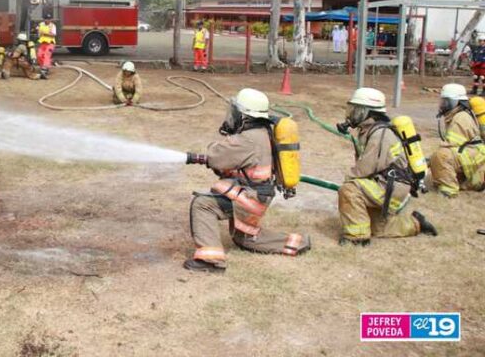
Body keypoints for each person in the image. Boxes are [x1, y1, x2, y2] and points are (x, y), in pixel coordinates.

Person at [183, 88, 311, 273]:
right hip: (257, 194)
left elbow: (215, 156)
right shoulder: (262, 131)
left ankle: (211, 261)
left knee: (203, 204)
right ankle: (297, 243)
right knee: (243, 239)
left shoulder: (247, 139)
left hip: (251, 197)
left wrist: (220, 143)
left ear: (244, 116)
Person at [335, 87, 436, 245]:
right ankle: (416, 223)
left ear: (367, 112)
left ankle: (357, 238)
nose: (351, 114)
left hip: (390, 187)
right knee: (377, 227)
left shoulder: (379, 134)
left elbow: (363, 169)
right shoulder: (371, 130)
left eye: (356, 110)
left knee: (349, 191)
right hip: (388, 185)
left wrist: (348, 181)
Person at [429, 83, 485, 198]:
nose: (442, 105)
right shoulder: (456, 115)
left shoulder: (460, 118)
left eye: (445, 101)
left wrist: (429, 161)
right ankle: (465, 182)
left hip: (476, 159)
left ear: (455, 102)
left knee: (441, 156)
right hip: (473, 158)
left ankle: (448, 190)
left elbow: (449, 147)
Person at [37, 12, 57, 78]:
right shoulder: (41, 24)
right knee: (39, 55)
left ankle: (45, 69)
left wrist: (46, 34)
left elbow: (54, 34)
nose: (47, 20)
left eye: (49, 19)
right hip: (43, 42)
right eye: (46, 19)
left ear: (50, 20)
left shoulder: (53, 25)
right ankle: (43, 67)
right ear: (44, 19)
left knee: (46, 55)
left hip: (50, 43)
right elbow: (38, 31)